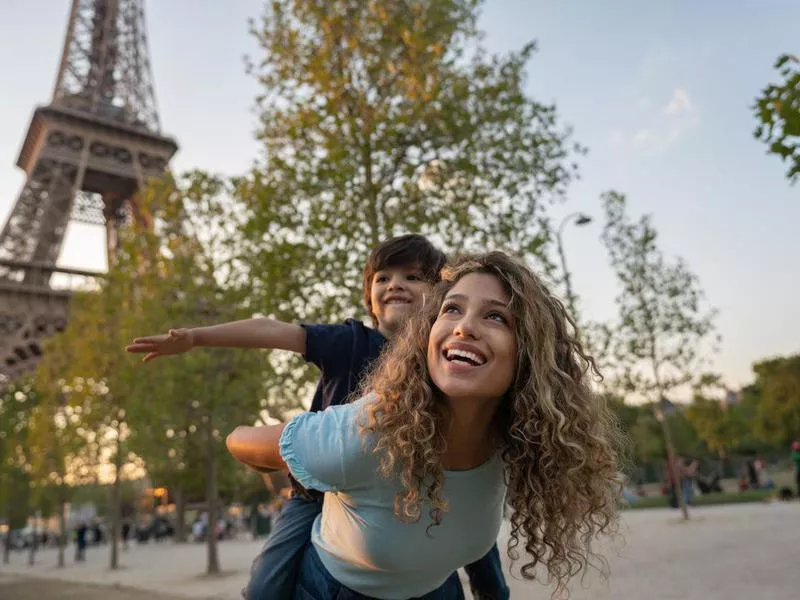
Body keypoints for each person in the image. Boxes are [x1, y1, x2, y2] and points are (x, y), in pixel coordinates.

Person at [126, 235, 508, 600]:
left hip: (420, 479)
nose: (396, 285)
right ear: (369, 300)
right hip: (319, 489)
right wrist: (196, 337)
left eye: (412, 277)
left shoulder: (445, 357)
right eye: (383, 278)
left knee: (479, 551)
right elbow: (274, 330)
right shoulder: (350, 341)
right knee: (265, 588)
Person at [227, 252, 622, 599]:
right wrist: (301, 471)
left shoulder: (523, 440)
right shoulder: (366, 432)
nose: (464, 327)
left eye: (496, 316)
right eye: (452, 309)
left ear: (530, 357)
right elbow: (238, 441)